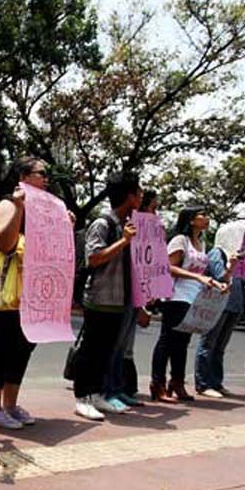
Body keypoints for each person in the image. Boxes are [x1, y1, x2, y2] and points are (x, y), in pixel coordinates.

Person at [0, 157, 47, 429]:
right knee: (2, 349)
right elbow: (4, 242)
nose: (46, 179)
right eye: (40, 174)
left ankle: (9, 405)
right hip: (10, 294)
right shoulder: (8, 204)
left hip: (31, 294)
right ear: (23, 175)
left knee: (22, 350)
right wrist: (19, 207)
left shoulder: (41, 208)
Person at [72, 171, 142, 421]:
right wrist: (124, 241)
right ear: (130, 196)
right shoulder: (103, 223)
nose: (141, 196)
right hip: (100, 297)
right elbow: (94, 258)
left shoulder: (128, 225)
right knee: (91, 349)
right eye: (139, 192)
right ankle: (82, 398)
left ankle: (98, 394)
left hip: (118, 299)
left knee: (107, 350)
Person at [150, 207, 226, 402]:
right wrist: (197, 277)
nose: (207, 218)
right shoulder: (180, 240)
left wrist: (213, 282)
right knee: (167, 340)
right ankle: (157, 383)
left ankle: (177, 382)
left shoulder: (201, 243)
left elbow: (202, 272)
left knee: (182, 343)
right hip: (176, 296)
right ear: (191, 220)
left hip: (194, 297)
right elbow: (169, 267)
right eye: (203, 215)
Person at [194, 223, 245, 398]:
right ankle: (203, 383)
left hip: (234, 304)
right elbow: (220, 276)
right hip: (218, 304)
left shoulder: (239, 257)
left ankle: (216, 381)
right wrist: (231, 265)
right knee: (209, 344)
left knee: (220, 346)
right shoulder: (218, 253)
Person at [118, 190, 160, 402]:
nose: (156, 212)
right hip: (123, 294)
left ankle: (122, 388)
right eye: (152, 207)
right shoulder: (130, 228)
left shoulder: (151, 234)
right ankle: (114, 389)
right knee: (120, 345)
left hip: (136, 295)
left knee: (127, 346)